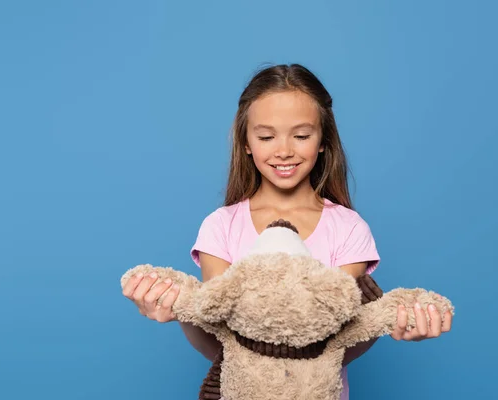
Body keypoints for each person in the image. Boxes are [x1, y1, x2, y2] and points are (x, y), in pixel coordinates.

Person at [122, 63, 453, 399]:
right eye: (266, 136)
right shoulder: (220, 226)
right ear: (246, 142)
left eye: (301, 135)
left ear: (323, 141)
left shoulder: (348, 228)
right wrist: (181, 310)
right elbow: (220, 339)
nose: (283, 150)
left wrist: (395, 321)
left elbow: (339, 340)